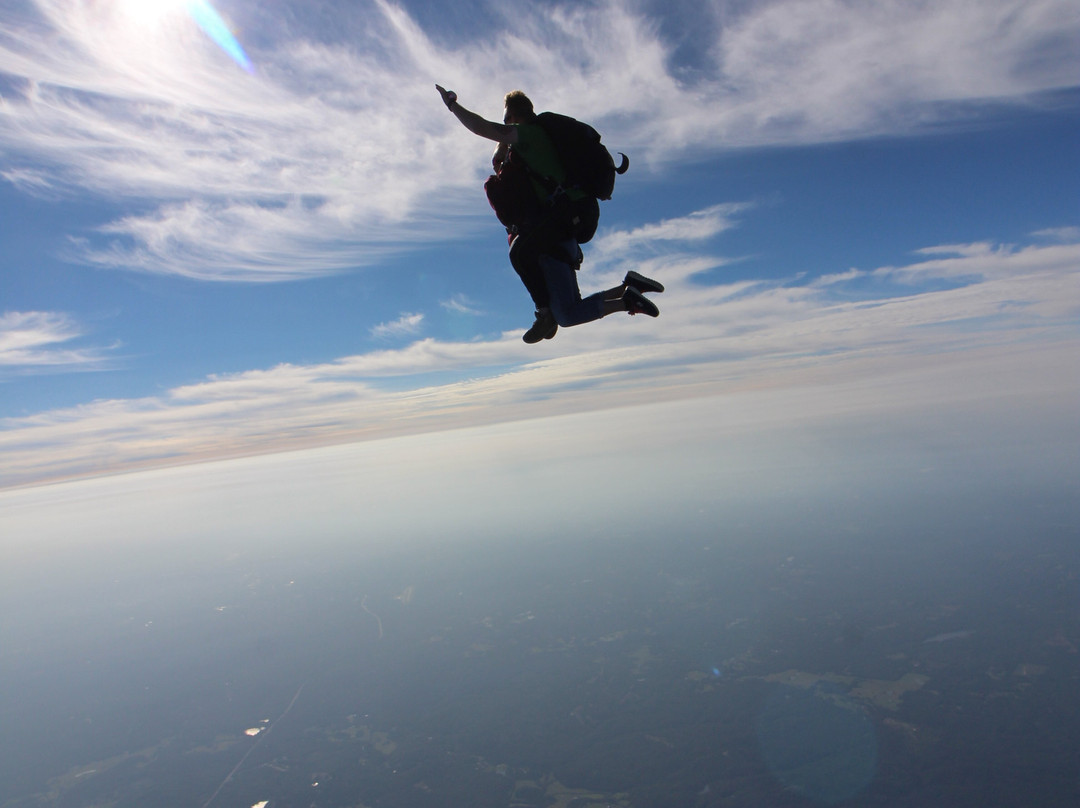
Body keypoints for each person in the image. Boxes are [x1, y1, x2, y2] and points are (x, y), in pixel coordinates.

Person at [436, 85, 663, 343]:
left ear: (511, 118)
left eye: (506, 120)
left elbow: (480, 128)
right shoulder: (538, 138)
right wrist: (503, 143)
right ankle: (627, 289)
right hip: (568, 216)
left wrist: (452, 104)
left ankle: (550, 313)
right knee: (567, 311)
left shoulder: (531, 136)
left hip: (566, 214)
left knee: (520, 254)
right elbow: (497, 156)